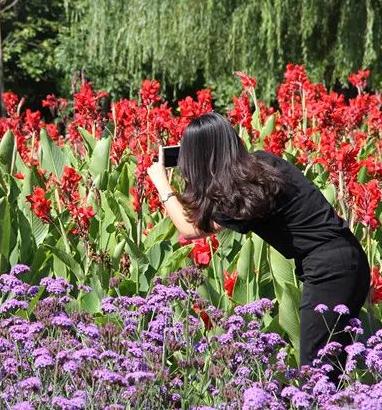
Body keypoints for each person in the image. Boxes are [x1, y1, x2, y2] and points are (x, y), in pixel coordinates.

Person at [147, 112, 370, 375]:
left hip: (329, 273)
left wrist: (162, 185)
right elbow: (209, 213)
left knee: (317, 375)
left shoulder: (245, 185)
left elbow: (190, 229)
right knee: (332, 369)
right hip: (349, 261)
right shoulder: (262, 166)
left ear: (198, 158)